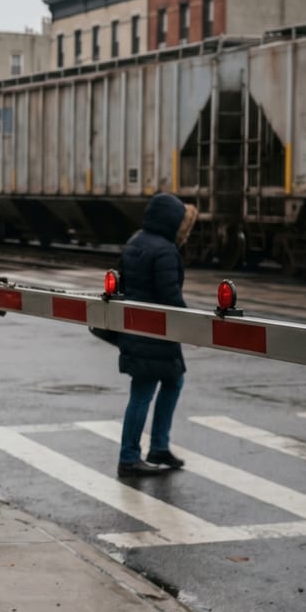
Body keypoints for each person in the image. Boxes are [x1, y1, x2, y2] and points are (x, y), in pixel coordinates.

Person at [115, 192, 198, 478]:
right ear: (170, 221)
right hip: (156, 332)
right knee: (143, 392)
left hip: (137, 328)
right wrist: (193, 327)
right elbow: (170, 296)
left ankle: (159, 447)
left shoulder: (135, 241)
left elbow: (121, 280)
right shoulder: (164, 250)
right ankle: (129, 458)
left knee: (174, 380)